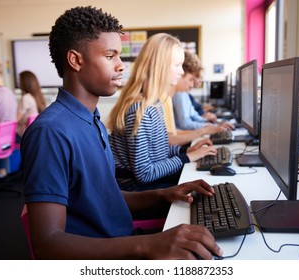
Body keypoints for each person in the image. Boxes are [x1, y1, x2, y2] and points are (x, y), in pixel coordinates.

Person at [21, 6, 222, 260]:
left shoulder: (91, 119)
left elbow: (106, 197)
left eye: (120, 56)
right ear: (76, 60)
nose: (121, 66)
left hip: (123, 241)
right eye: (110, 56)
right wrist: (148, 245)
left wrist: (164, 193)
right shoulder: (51, 132)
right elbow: (48, 244)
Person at [107, 33, 218, 191]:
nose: (181, 72)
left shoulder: (154, 103)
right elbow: (144, 173)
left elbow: (157, 152)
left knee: (204, 183)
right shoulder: (140, 110)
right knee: (200, 192)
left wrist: (185, 150)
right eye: (177, 65)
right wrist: (188, 157)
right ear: (160, 66)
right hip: (134, 188)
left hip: (145, 181)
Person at [172, 51, 234, 131]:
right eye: (191, 79)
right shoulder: (179, 94)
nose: (192, 85)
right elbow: (185, 124)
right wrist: (212, 127)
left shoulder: (184, 93)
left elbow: (193, 115)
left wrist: (212, 124)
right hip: (183, 136)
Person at [16, 70, 46, 143]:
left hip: (22, 135)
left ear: (25, 82)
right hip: (32, 134)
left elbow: (16, 120)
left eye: (19, 80)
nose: (18, 83)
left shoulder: (26, 98)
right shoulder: (37, 97)